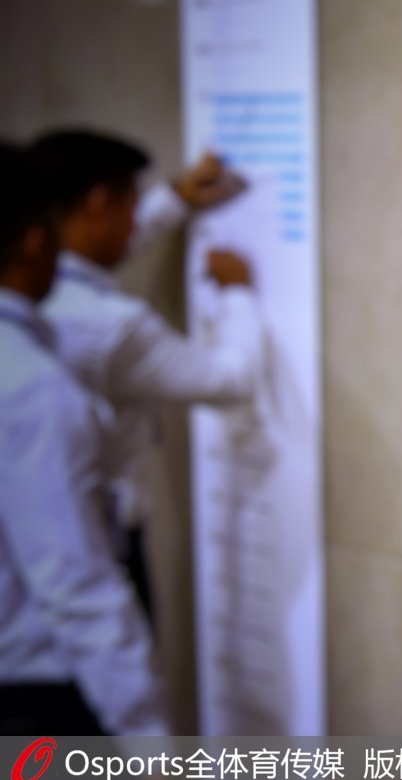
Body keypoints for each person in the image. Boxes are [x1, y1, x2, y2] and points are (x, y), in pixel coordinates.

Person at [29, 129, 263, 618]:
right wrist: (238, 292)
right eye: (131, 207)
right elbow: (230, 380)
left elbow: (87, 259)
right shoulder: (111, 326)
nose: (136, 222)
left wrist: (173, 200)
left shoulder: (28, 286)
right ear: (100, 203)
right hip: (101, 546)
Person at [0, 144, 169, 736]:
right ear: (35, 240)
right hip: (34, 699)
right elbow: (75, 584)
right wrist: (148, 742)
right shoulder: (32, 389)